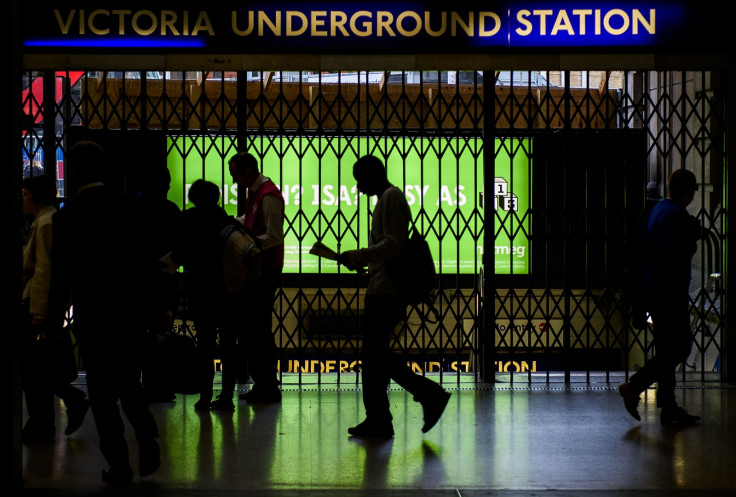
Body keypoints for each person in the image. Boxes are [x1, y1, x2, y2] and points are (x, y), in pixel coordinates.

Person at [49, 140, 160, 484]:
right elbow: (147, 265)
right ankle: (148, 439)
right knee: (130, 383)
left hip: (93, 316)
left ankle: (120, 465)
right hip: (129, 314)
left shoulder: (67, 217)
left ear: (75, 170)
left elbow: (61, 275)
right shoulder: (128, 208)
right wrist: (153, 308)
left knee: (101, 394)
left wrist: (55, 321)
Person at [336, 155, 451, 438]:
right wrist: (366, 262)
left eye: (360, 181)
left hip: (387, 291)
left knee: (374, 355)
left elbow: (393, 245)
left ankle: (425, 394)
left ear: (373, 175)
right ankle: (380, 417)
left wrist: (358, 255)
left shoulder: (390, 197)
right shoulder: (389, 198)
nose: (359, 189)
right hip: (384, 287)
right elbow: (390, 247)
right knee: (374, 356)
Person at [618, 168, 702, 427]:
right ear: (687, 192)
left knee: (667, 348)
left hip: (653, 289)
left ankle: (669, 406)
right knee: (680, 347)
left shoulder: (659, 210)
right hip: (668, 293)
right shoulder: (676, 216)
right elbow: (675, 256)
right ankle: (634, 386)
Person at [21, 174, 89, 443]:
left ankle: (45, 420)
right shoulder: (45, 220)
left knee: (33, 369)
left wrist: (38, 312)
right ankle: (63, 406)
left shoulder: (47, 223)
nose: (23, 198)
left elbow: (44, 271)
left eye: (26, 193)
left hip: (38, 305)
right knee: (37, 368)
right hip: (41, 305)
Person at [168, 179, 244, 411]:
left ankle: (205, 394)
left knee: (205, 346)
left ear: (193, 198)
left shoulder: (187, 220)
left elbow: (177, 254)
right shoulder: (228, 222)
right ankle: (227, 395)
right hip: (228, 291)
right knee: (229, 344)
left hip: (200, 290)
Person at [228, 152, 284, 403]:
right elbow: (250, 221)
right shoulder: (255, 192)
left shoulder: (268, 196)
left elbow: (274, 236)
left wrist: (245, 243)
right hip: (256, 270)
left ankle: (267, 386)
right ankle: (264, 383)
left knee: (259, 329)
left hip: (266, 270)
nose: (234, 180)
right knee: (256, 329)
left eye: (235, 174)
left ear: (248, 172)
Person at [132, 167, 182, 403]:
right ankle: (156, 384)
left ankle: (133, 384)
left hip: (134, 281)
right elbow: (177, 247)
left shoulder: (130, 207)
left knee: (134, 335)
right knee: (159, 334)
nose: (170, 187)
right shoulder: (170, 210)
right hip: (162, 280)